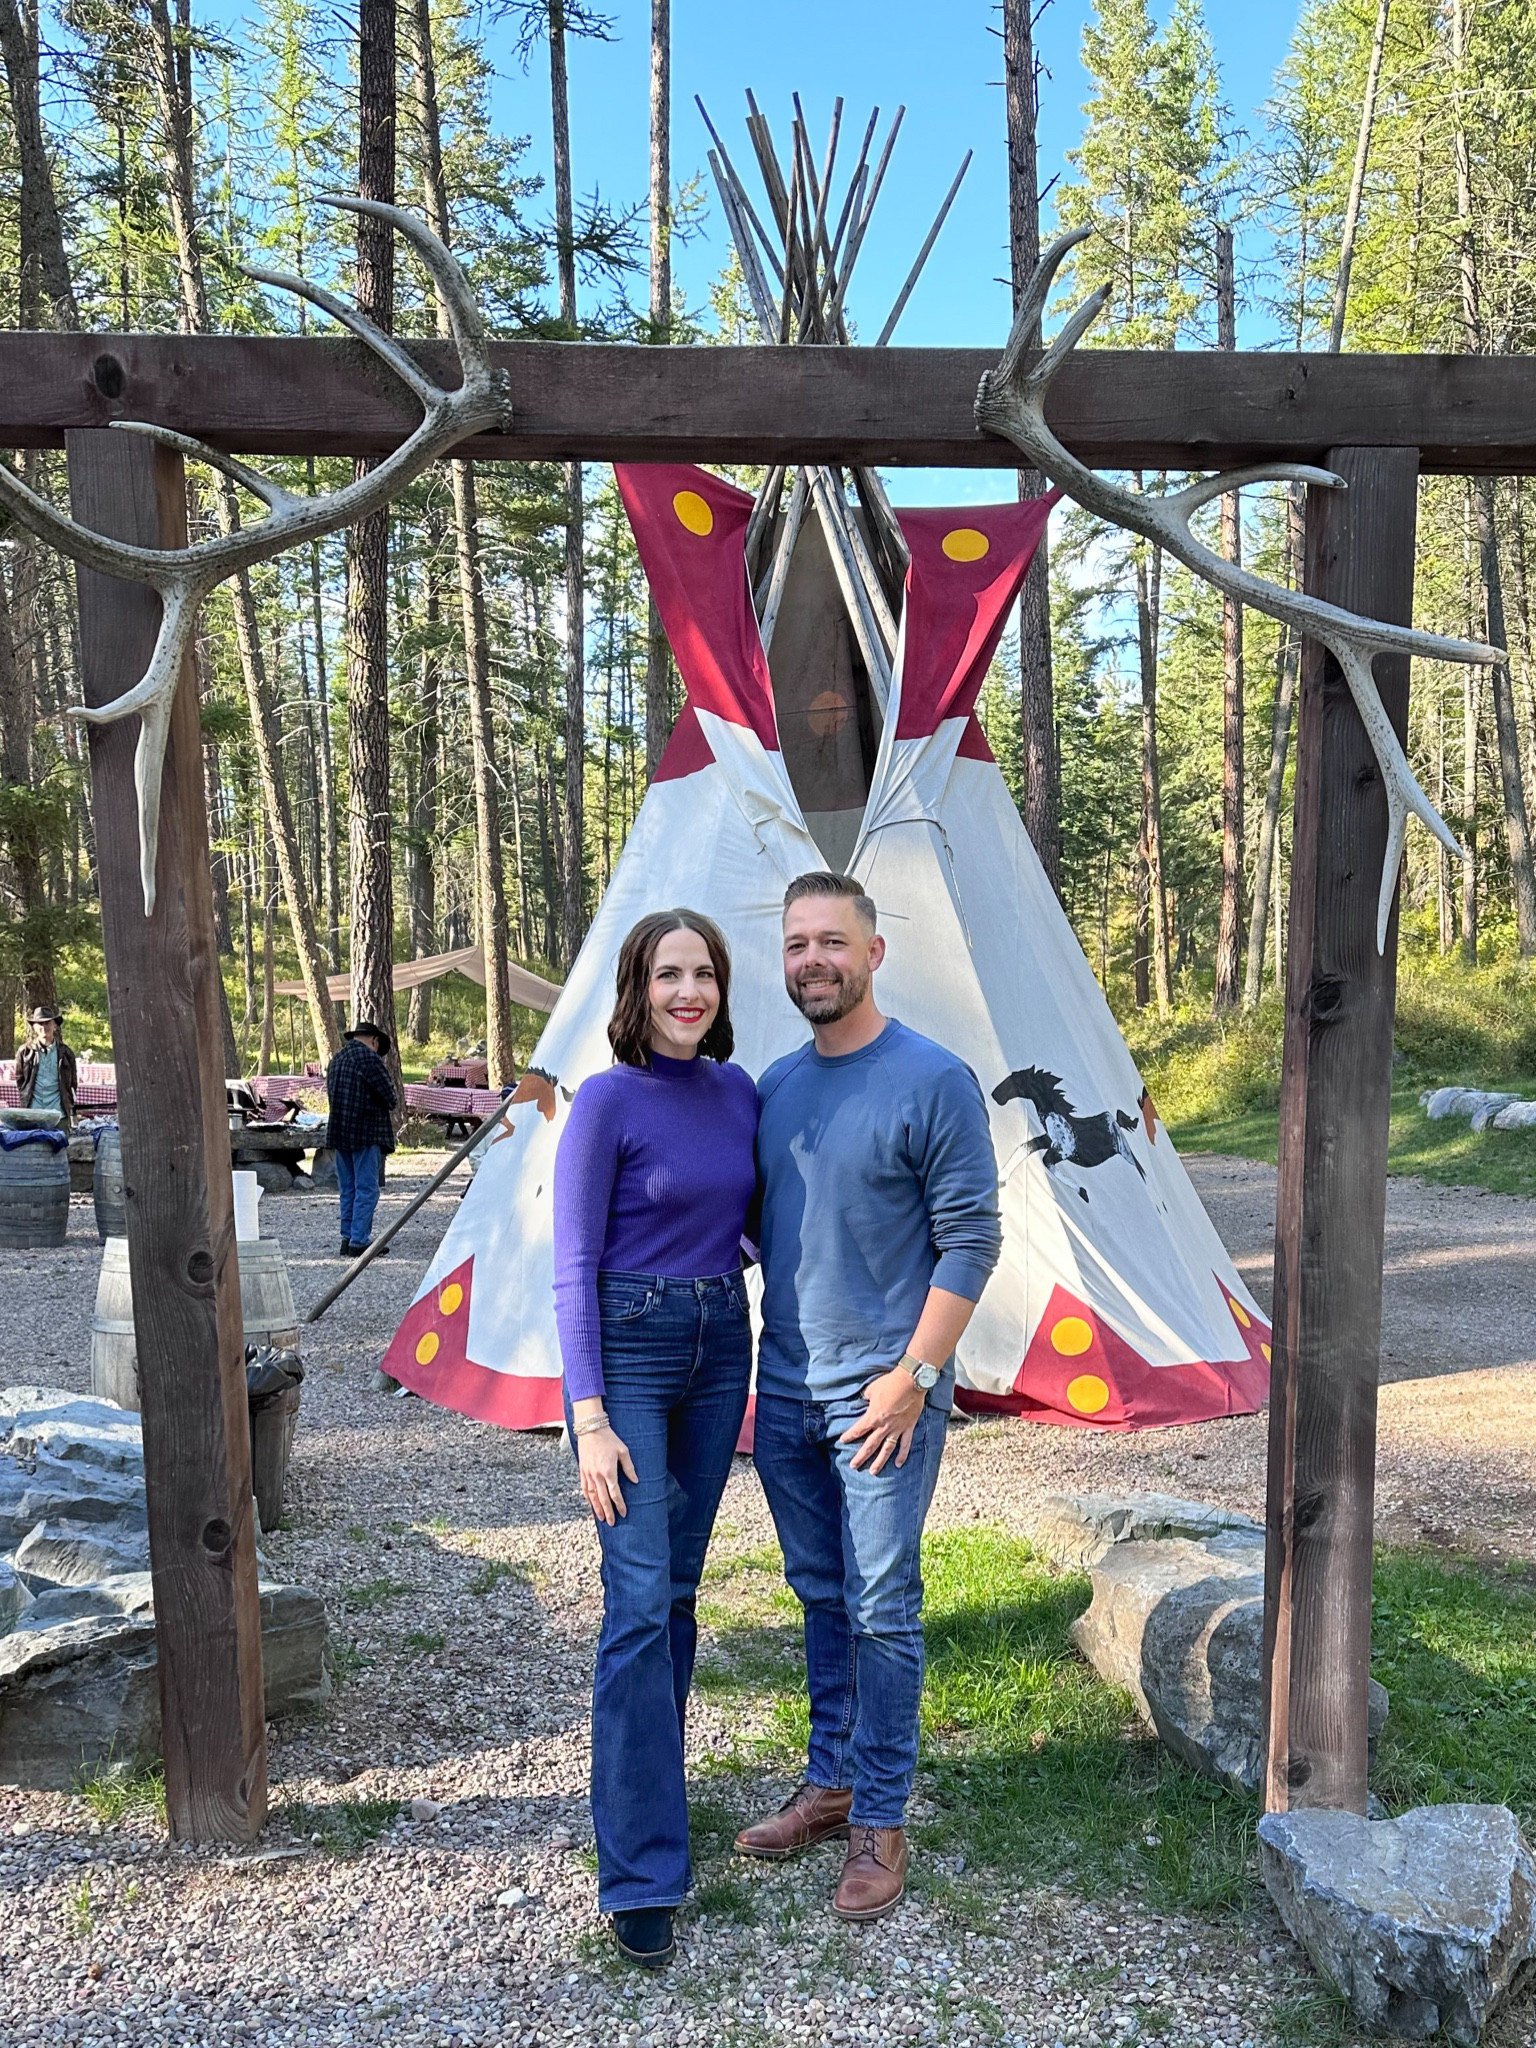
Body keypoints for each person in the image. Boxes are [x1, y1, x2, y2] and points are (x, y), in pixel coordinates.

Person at [736, 871, 1001, 1921]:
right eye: (797, 942)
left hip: (884, 1394)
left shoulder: (933, 1079)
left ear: (874, 952)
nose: (814, 959)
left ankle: (881, 1815)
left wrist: (914, 1375)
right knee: (820, 1593)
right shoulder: (771, 1088)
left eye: (832, 941)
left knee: (885, 1606)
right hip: (787, 1381)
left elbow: (971, 1236)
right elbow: (762, 1225)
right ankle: (832, 1774)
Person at [554, 910, 757, 1971]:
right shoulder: (605, 1100)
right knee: (636, 1599)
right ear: (638, 987)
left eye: (706, 973)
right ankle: (640, 1868)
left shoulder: (737, 1093)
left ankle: (651, 1786)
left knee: (678, 1589)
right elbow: (570, 1264)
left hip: (723, 1341)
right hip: (628, 1354)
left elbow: (758, 1219)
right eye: (671, 973)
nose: (691, 990)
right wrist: (585, 1413)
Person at [324, 1020, 398, 1256]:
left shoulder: (337, 1060)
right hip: (366, 1132)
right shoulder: (369, 1059)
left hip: (339, 1131)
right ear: (374, 1041)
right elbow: (390, 1097)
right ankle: (360, 1240)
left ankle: (347, 1237)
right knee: (367, 1188)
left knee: (348, 1188)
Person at [15, 1006, 78, 1128]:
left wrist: (69, 1107)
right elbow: (20, 1080)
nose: (44, 1027)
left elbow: (72, 1082)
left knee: (60, 1145)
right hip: (33, 1112)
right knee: (32, 1146)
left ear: (55, 1026)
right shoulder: (24, 1052)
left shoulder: (66, 1053)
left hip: (59, 1113)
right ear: (34, 1027)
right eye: (40, 1023)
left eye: (47, 1023)